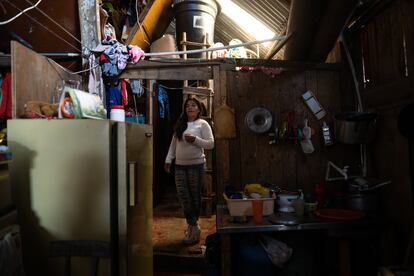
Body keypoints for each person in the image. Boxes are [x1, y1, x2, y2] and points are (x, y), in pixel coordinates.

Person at [164, 98, 215, 244]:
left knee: (194, 197)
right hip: (180, 166)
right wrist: (168, 160)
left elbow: (211, 144)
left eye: (193, 105)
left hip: (196, 165)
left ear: (199, 109)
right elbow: (173, 145)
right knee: (183, 197)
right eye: (187, 106)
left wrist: (196, 140)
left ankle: (193, 227)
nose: (190, 108)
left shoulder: (203, 124)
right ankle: (193, 226)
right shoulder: (180, 124)